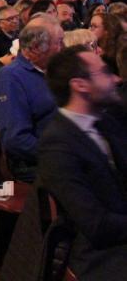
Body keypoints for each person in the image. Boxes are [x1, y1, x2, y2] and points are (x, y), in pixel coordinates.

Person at [38, 45, 127, 280]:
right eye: (106, 72)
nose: (116, 78)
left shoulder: (106, 119)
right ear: (80, 85)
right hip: (103, 254)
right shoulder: (58, 145)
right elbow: (96, 225)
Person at [0, 15, 64, 182]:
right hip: (35, 164)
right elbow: (16, 141)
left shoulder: (50, 70)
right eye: (59, 42)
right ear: (37, 47)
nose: (63, 48)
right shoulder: (11, 78)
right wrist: (62, 153)